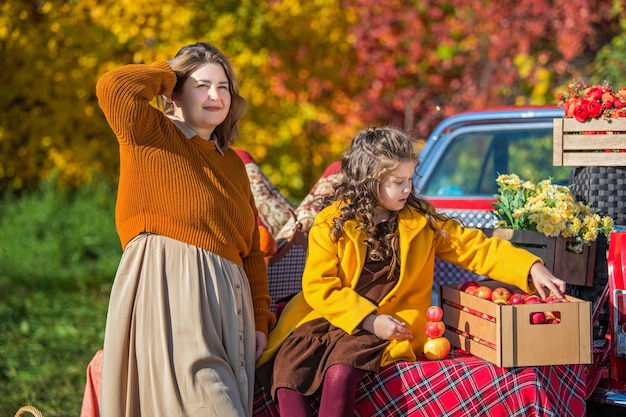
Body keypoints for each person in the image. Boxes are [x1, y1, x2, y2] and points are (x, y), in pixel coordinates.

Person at [256, 126, 566, 417]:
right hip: (331, 317)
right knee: (287, 371)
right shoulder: (330, 222)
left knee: (341, 371)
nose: (407, 188)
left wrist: (531, 266)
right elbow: (319, 287)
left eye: (410, 179)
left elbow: (473, 247)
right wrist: (368, 319)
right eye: (397, 182)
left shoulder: (421, 220)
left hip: (391, 321)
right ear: (368, 180)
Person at [95, 42, 275, 417]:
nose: (216, 95)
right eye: (202, 85)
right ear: (175, 93)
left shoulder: (234, 166)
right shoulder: (148, 132)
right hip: (171, 291)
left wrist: (259, 319)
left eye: (224, 87)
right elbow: (114, 86)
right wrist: (172, 73)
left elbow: (252, 251)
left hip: (230, 307)